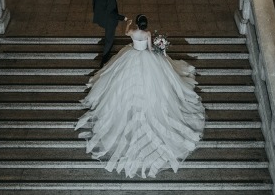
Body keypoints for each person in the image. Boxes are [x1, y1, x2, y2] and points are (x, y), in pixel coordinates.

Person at [75, 14, 206, 178]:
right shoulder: (147, 33)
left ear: (137, 24)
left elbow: (126, 33)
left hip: (132, 55)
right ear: (146, 25)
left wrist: (129, 23)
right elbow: (150, 49)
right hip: (145, 58)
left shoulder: (131, 31)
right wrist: (159, 49)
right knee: (155, 84)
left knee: (121, 83)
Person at [92, 0, 126, 67]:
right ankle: (104, 61)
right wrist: (123, 18)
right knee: (109, 40)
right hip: (109, 21)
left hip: (100, 16)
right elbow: (112, 13)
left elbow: (94, 2)